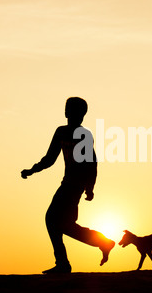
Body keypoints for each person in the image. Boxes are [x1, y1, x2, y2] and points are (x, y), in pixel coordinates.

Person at [21, 97, 115, 274]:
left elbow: (92, 163)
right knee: (64, 224)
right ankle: (101, 243)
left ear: (83, 115)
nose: (73, 114)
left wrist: (90, 187)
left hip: (75, 185)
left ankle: (65, 263)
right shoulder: (61, 132)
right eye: (70, 110)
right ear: (66, 112)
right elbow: (50, 158)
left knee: (53, 220)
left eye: (77, 112)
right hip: (68, 183)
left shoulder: (85, 135)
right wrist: (32, 170)